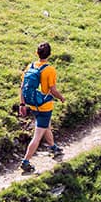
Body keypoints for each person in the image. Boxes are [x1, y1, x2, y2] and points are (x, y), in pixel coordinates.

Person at [19, 42, 65, 173]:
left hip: (33, 104)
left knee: (45, 126)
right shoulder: (50, 70)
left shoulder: (30, 66)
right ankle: (26, 161)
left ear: (36, 53)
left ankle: (53, 147)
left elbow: (23, 87)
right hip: (44, 106)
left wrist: (22, 104)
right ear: (50, 54)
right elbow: (53, 90)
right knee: (38, 135)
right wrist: (61, 98)